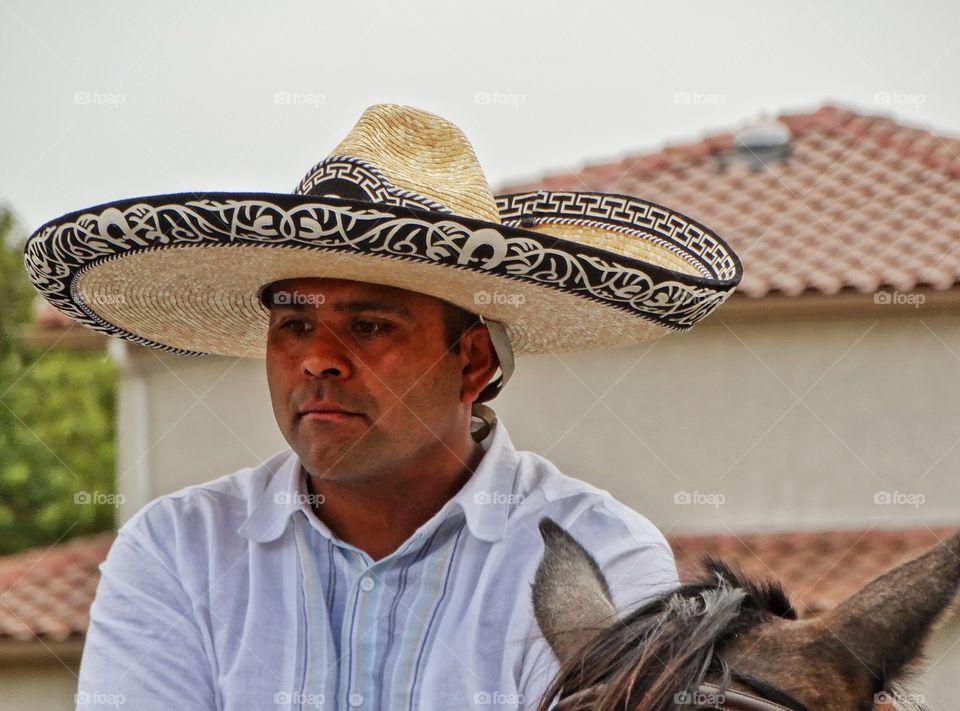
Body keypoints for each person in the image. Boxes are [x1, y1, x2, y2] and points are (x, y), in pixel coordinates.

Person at [25, 104, 742, 710]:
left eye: (369, 327)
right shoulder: (177, 551)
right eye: (294, 325)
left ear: (474, 362)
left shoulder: (605, 556)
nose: (317, 360)